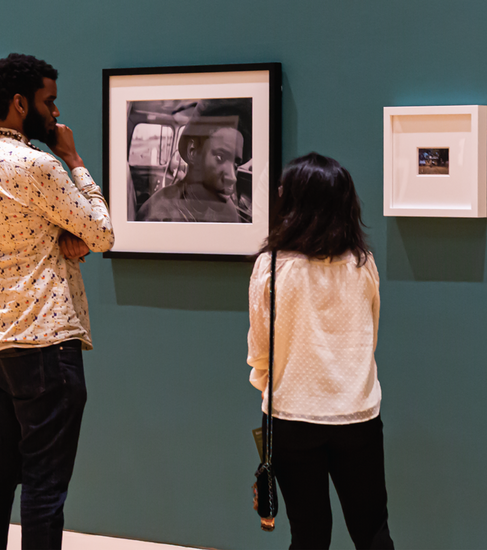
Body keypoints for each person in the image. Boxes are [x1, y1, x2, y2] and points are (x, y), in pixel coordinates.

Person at [0, 53, 114, 550]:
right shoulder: (42, 165)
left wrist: (70, 237)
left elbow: (64, 233)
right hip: (48, 347)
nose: (57, 114)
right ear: (21, 103)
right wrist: (76, 160)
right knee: (45, 490)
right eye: (49, 102)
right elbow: (104, 232)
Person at [247, 153, 395, 549]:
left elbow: (260, 350)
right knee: (372, 530)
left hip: (291, 415)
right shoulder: (362, 264)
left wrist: (269, 384)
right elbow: (370, 337)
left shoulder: (271, 265)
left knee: (309, 534)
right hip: (357, 414)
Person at [137, 101, 250, 223]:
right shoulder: (156, 214)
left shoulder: (230, 214)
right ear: (193, 151)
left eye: (236, 165)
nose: (233, 178)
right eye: (220, 157)